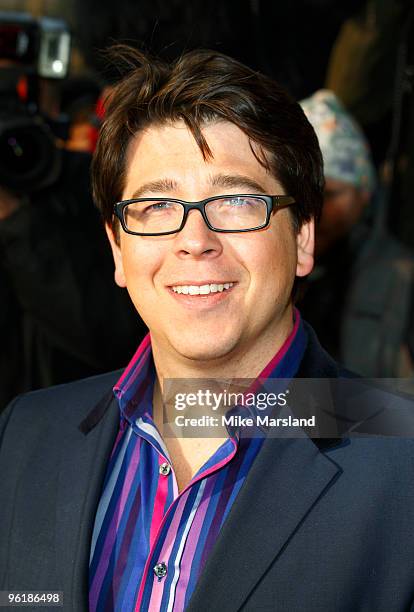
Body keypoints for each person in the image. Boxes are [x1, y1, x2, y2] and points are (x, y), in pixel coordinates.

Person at [1, 47, 414, 612]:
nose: (194, 240)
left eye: (237, 201)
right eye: (156, 206)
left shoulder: (402, 454)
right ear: (117, 249)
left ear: (302, 238)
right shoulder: (24, 438)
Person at [299, 89, 414, 375]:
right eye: (304, 195)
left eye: (333, 194)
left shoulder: (401, 279)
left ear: (364, 192)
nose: (317, 209)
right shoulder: (277, 267)